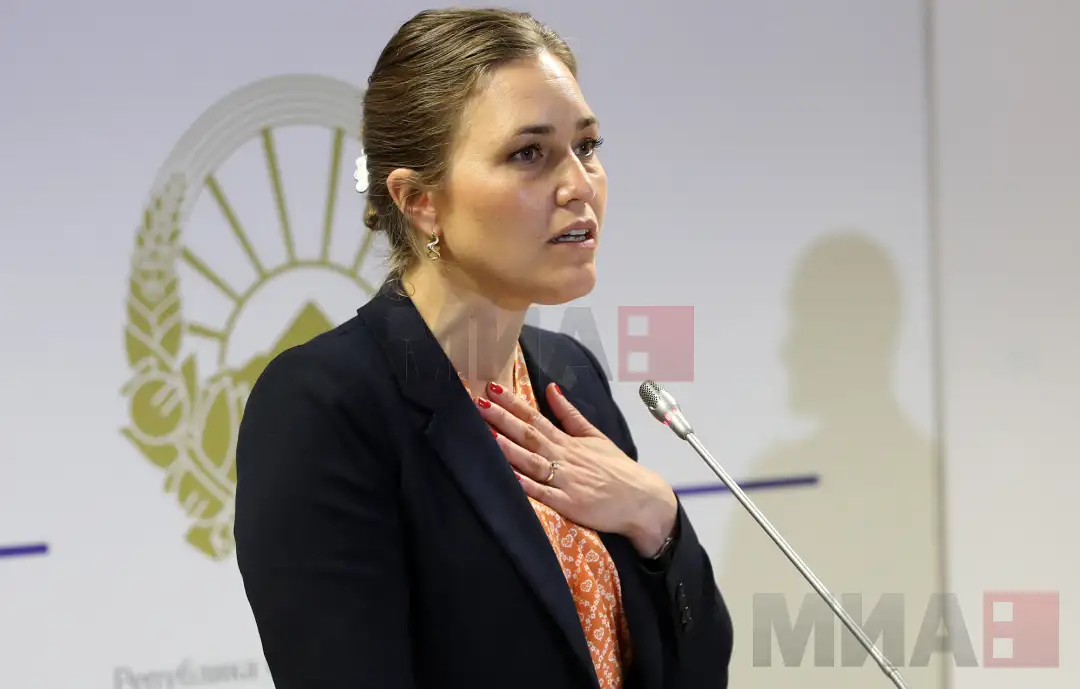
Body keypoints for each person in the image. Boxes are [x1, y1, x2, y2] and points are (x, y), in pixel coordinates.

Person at [233, 8, 733, 688]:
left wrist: (658, 521)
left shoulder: (572, 378)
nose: (579, 185)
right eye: (529, 154)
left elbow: (697, 672)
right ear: (420, 201)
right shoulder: (325, 406)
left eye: (586, 145)